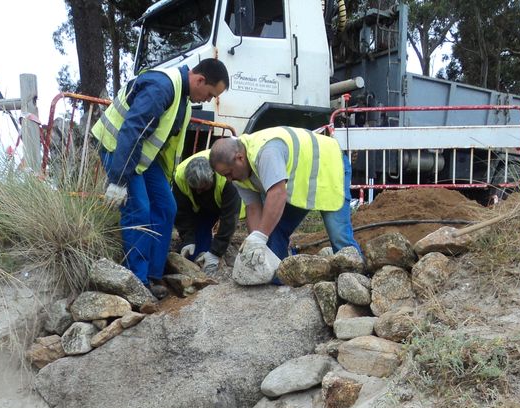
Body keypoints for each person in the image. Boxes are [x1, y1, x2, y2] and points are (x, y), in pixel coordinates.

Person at [92, 59, 229, 296]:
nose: (208, 100)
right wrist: (118, 179)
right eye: (209, 94)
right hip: (119, 150)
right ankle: (136, 282)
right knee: (139, 210)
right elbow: (132, 129)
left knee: (166, 207)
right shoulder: (162, 88)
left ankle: (154, 275)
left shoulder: (183, 100)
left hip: (144, 156)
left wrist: (163, 181)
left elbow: (165, 143)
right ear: (200, 80)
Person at [207, 127, 361, 268]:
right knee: (273, 229)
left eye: (228, 173)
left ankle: (357, 278)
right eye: (224, 175)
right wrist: (256, 243)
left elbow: (277, 194)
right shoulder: (238, 173)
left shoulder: (266, 152)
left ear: (240, 158)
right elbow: (253, 208)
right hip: (301, 181)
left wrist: (260, 237)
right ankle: (278, 277)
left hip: (328, 166)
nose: (228, 179)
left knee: (338, 235)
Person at [172, 151, 241, 277]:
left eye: (202, 188)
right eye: (195, 188)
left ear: (212, 177)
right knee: (196, 250)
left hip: (221, 202)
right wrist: (188, 239)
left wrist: (216, 252)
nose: (198, 192)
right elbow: (182, 212)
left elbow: (229, 219)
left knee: (212, 252)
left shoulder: (226, 179)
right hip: (200, 209)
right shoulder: (180, 177)